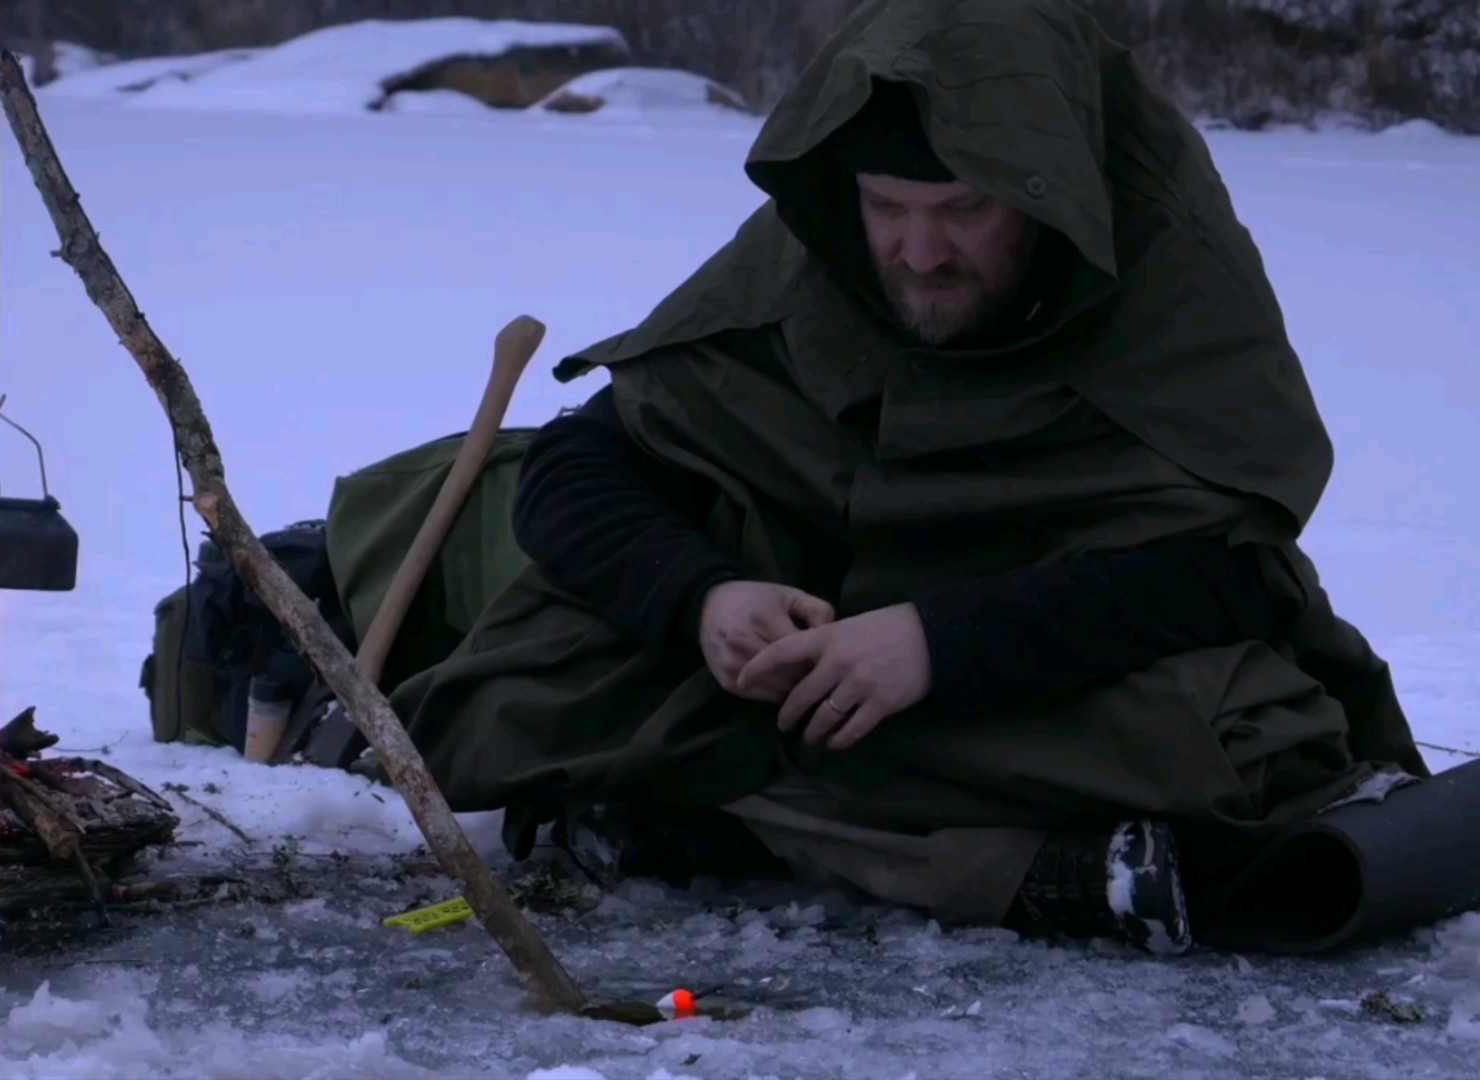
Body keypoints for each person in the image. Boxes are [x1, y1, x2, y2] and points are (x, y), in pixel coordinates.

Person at [380, 0, 1433, 956]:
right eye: (889, 205)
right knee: (527, 673)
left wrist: (941, 645)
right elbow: (578, 463)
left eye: (964, 208)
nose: (919, 253)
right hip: (798, 675)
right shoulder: (809, 253)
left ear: (1049, 193)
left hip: (1032, 678)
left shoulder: (1168, 286)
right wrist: (703, 598)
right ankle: (1020, 868)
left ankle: (680, 808)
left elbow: (1236, 571)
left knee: (1241, 739)